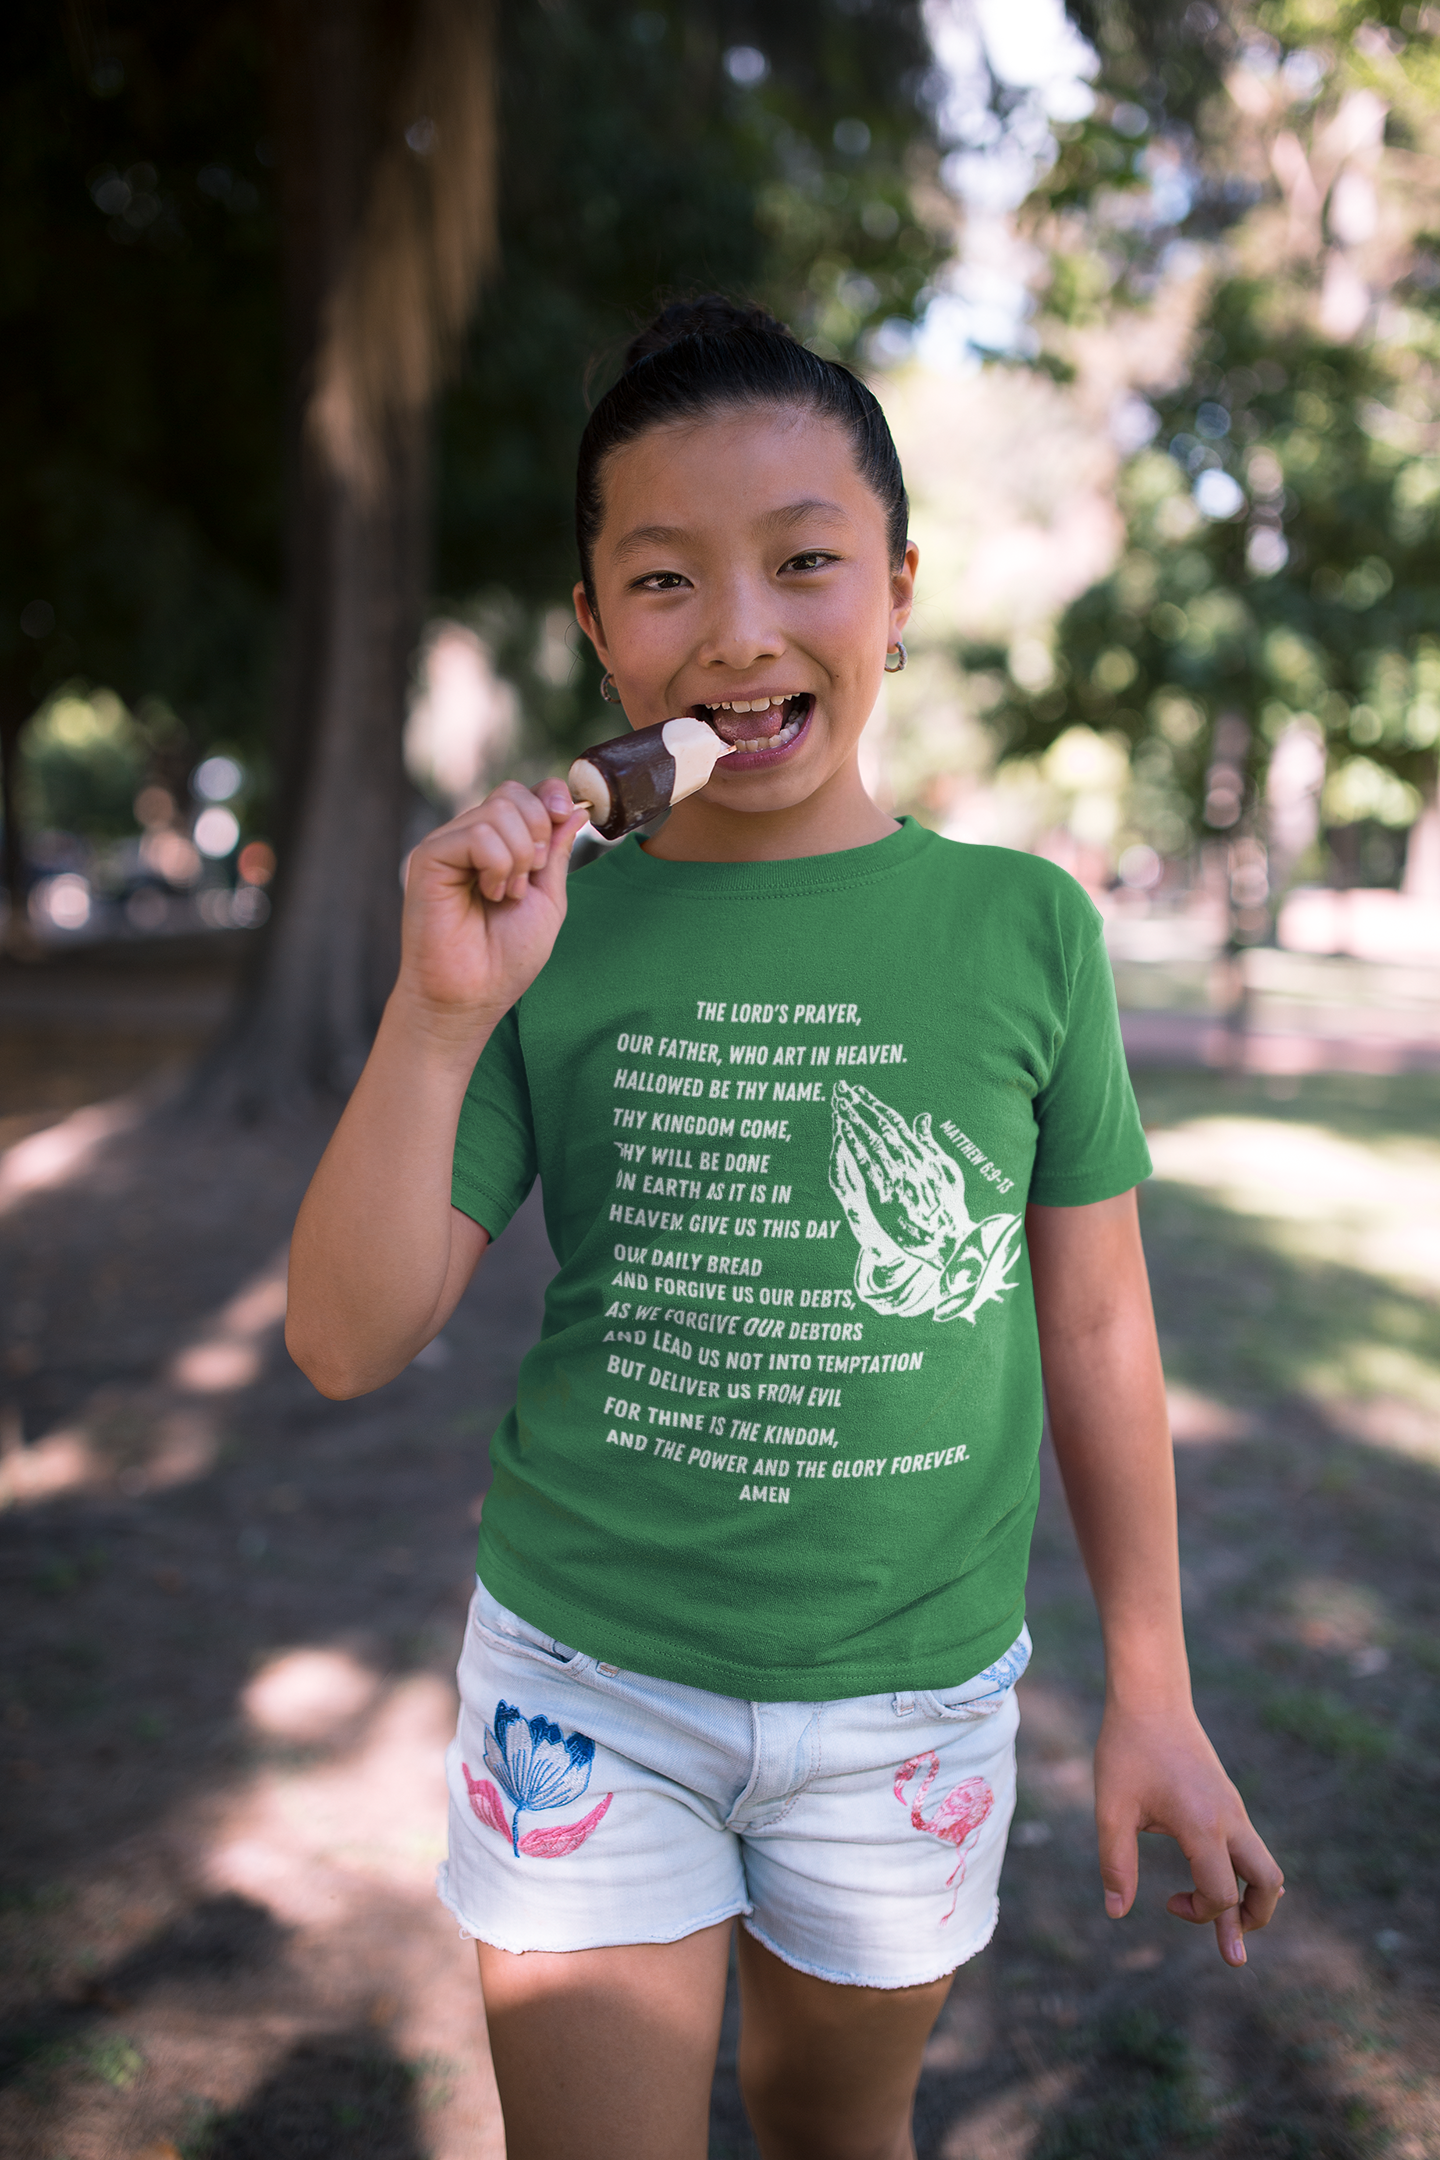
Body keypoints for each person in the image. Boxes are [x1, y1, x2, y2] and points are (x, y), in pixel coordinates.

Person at [285, 296, 1283, 2160]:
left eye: (805, 561)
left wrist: (1150, 1689)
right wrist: (440, 1017)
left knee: (840, 2135)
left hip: (907, 1705)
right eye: (665, 581)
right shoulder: (551, 930)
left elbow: (1095, 1334)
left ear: (897, 591)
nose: (738, 630)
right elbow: (345, 1338)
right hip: (589, 1692)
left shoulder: (1025, 929)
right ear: (597, 629)